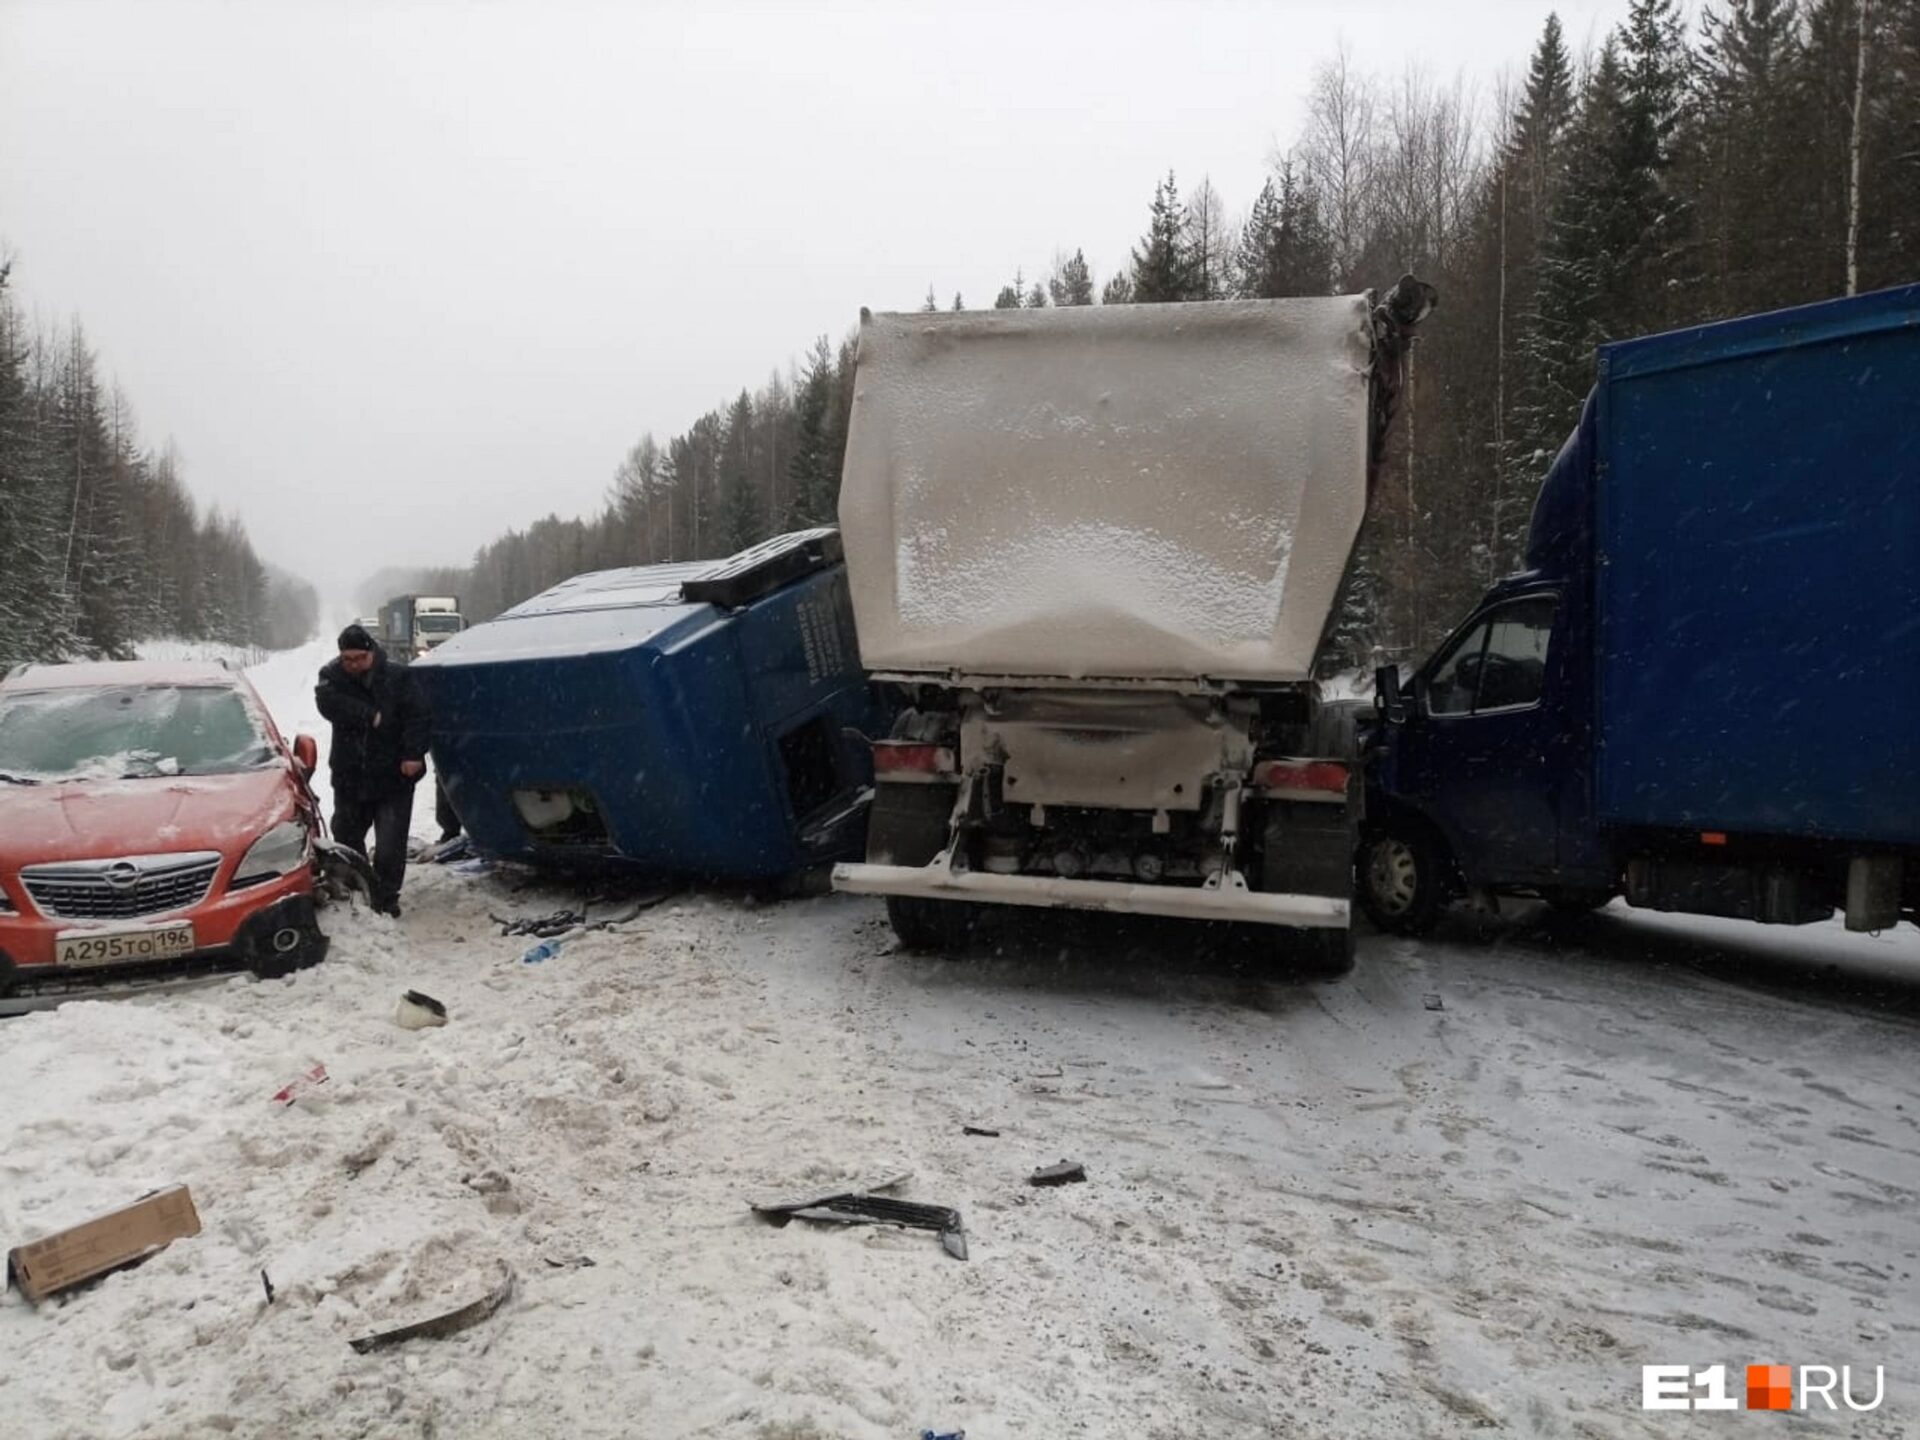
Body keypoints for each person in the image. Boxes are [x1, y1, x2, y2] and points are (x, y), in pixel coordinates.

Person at [315, 623, 429, 916]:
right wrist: (369, 715)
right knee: (347, 834)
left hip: (393, 774)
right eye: (347, 659)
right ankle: (361, 887)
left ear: (371, 653)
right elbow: (329, 704)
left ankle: (387, 896)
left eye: (358, 658)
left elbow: (418, 716)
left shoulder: (398, 676)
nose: (352, 665)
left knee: (391, 841)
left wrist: (414, 754)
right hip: (350, 774)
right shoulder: (331, 676)